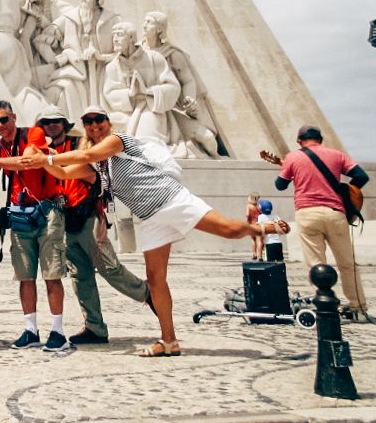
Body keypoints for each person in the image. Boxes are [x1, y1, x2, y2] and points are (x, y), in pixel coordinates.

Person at [21, 107, 289, 357]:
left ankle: (263, 226)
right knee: (156, 280)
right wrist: (40, 161)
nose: (94, 126)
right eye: (88, 122)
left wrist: (47, 156)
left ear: (108, 123)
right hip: (150, 217)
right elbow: (64, 172)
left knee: (230, 230)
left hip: (172, 200)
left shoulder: (118, 140)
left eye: (98, 120)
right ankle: (169, 340)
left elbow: (86, 155)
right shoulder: (97, 165)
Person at [0, 101, 70, 353]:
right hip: (20, 212)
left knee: (51, 272)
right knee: (25, 274)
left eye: (3, 120)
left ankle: (58, 331)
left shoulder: (33, 133)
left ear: (13, 117)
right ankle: (30, 329)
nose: (0, 126)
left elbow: (27, 162)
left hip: (47, 209)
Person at [35, 107, 149, 346]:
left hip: (88, 215)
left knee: (109, 268)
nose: (52, 126)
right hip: (66, 218)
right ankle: (95, 327)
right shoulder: (46, 151)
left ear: (65, 124)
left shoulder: (81, 145)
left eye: (56, 121)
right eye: (47, 122)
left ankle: (148, 294)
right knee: (80, 275)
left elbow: (83, 174)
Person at [274, 125, 371, 321]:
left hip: (307, 213)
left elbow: (280, 185)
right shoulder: (337, 155)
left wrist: (288, 169)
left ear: (299, 141)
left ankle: (325, 307)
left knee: (315, 264)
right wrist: (347, 191)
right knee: (347, 263)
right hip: (335, 213)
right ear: (320, 139)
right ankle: (358, 307)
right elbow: (361, 176)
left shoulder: (293, 157)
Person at [245, 193, 262, 260]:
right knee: (259, 240)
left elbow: (247, 215)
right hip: (259, 224)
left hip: (251, 225)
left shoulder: (249, 206)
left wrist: (247, 222)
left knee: (253, 240)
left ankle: (254, 254)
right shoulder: (259, 206)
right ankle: (260, 256)